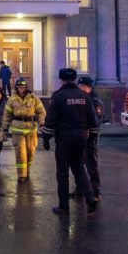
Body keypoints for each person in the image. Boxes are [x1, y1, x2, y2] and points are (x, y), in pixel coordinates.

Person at [41, 68, 98, 216]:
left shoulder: (58, 96)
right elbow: (93, 119)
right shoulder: (84, 96)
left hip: (64, 137)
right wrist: (92, 138)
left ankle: (63, 207)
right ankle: (90, 197)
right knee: (79, 168)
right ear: (74, 80)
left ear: (61, 80)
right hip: (81, 136)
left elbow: (50, 120)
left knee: (62, 172)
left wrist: (46, 139)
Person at [0, 77, 46, 182]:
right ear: (16, 88)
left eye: (22, 87)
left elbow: (41, 111)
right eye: (19, 87)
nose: (21, 89)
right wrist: (5, 128)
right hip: (18, 131)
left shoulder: (34, 98)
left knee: (30, 152)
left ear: (26, 87)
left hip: (31, 130)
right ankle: (22, 175)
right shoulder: (12, 99)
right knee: (21, 153)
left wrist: (42, 124)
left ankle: (27, 171)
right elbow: (7, 116)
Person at [71, 77, 103, 202]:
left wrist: (92, 136)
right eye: (79, 86)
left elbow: (97, 121)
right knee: (78, 164)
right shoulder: (79, 99)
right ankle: (80, 189)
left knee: (91, 164)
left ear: (90, 88)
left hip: (90, 136)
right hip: (80, 135)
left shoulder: (95, 101)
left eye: (84, 86)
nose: (81, 88)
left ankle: (95, 191)